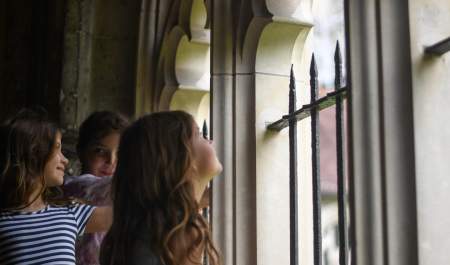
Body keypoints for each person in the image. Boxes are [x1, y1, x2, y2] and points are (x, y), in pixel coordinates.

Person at [100, 111, 222, 265]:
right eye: (199, 135)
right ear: (180, 159)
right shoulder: (179, 233)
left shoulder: (148, 226)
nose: (210, 141)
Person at [0, 108, 112, 265]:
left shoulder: (71, 212)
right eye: (57, 148)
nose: (65, 160)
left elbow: (129, 214)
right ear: (34, 153)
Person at [63, 111, 129, 265]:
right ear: (81, 151)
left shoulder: (122, 197)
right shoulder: (73, 187)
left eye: (121, 153)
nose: (111, 161)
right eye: (100, 151)